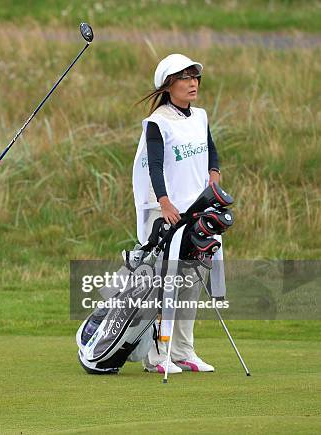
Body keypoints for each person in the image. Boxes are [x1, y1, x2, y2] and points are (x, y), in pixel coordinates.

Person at [132, 54, 222, 374]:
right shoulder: (159, 121)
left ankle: (183, 350)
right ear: (169, 85)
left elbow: (210, 146)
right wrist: (164, 201)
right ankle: (158, 355)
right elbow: (155, 165)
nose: (192, 82)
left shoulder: (200, 116)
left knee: (193, 280)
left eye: (194, 77)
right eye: (184, 78)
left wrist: (214, 170)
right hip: (168, 211)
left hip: (198, 209)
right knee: (166, 284)